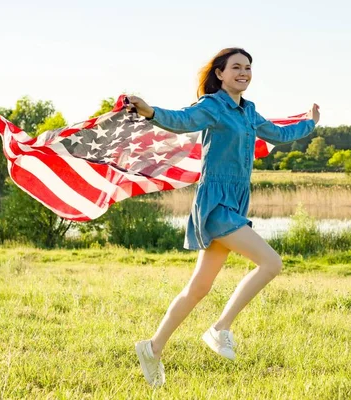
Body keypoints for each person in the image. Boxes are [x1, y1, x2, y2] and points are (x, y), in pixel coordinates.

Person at [128, 47, 320, 387]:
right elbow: (181, 120)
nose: (243, 72)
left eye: (248, 67)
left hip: (235, 202)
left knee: (198, 288)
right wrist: (150, 111)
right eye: (236, 67)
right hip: (215, 203)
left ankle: (153, 348)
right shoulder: (212, 106)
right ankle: (220, 328)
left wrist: (310, 123)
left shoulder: (249, 113)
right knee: (271, 263)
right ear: (220, 73)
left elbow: (279, 133)